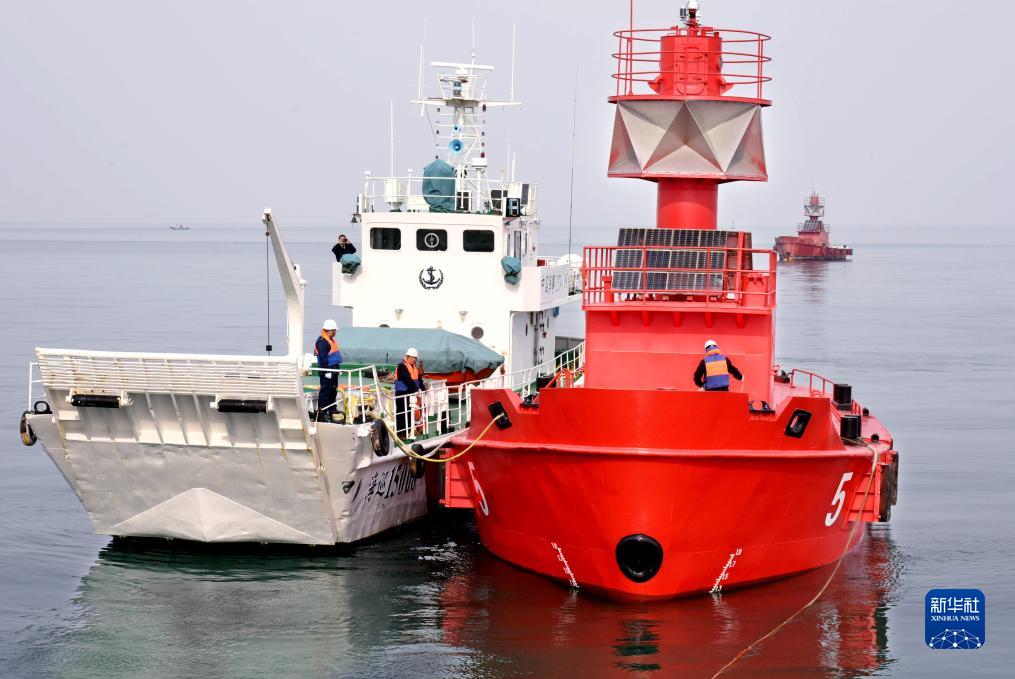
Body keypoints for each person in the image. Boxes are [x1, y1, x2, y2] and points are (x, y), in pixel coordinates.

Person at [394, 347, 426, 439]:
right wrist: (416, 389)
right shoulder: (402, 366)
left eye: (415, 358)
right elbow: (407, 379)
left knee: (409, 413)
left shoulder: (414, 368)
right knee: (401, 413)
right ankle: (400, 433)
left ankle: (408, 431)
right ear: (407, 357)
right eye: (412, 357)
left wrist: (422, 388)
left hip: (410, 394)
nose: (414, 359)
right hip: (401, 394)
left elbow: (418, 380)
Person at [314, 319, 342, 419]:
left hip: (333, 370)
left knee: (333, 390)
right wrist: (326, 371)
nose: (336, 331)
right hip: (327, 371)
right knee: (325, 391)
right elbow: (323, 358)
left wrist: (336, 370)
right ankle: (322, 412)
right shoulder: (322, 342)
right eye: (334, 330)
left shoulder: (331, 340)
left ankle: (332, 409)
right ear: (330, 330)